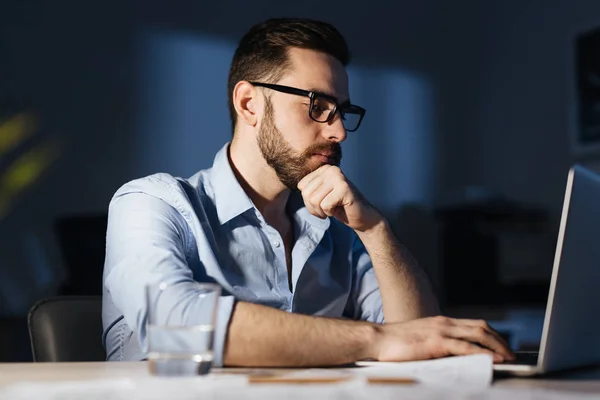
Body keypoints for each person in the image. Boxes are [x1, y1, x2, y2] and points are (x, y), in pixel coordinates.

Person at [102, 17, 515, 367]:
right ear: (249, 104)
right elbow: (173, 324)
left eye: (342, 112)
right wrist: (374, 340)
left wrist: (375, 230)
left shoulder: (340, 235)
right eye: (317, 104)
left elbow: (425, 346)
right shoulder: (153, 204)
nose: (337, 131)